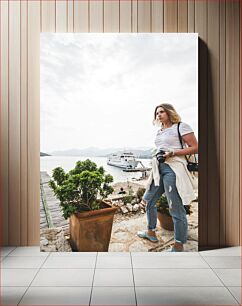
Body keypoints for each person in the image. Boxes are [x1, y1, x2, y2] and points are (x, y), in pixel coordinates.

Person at [137, 103, 198, 252]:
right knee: (148, 200)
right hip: (159, 168)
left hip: (174, 169)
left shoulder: (181, 127)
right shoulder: (160, 132)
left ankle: (178, 245)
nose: (159, 115)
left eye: (162, 111)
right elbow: (161, 148)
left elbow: (196, 147)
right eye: (157, 113)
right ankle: (151, 232)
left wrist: (173, 153)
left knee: (175, 208)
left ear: (169, 112)